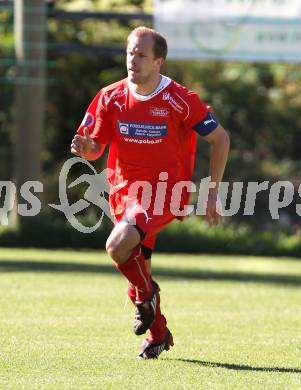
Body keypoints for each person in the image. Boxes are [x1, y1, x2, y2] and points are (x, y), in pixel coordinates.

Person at [71, 26, 230, 360]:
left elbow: (221, 139)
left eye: (141, 54)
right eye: (130, 52)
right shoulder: (110, 96)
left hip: (164, 194)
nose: (133, 60)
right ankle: (158, 334)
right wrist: (86, 148)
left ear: (159, 61)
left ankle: (149, 297)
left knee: (117, 246)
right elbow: (95, 149)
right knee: (135, 262)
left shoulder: (179, 99)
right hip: (124, 193)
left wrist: (212, 191)